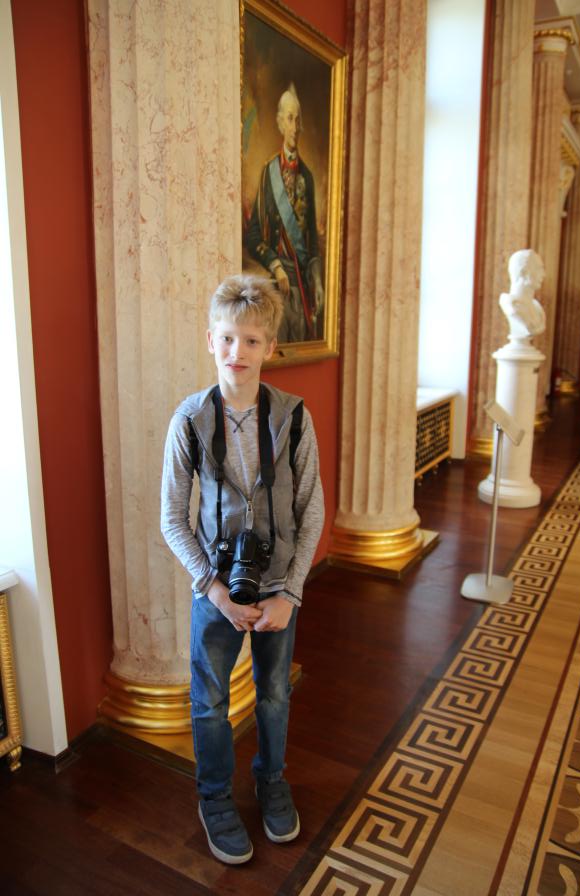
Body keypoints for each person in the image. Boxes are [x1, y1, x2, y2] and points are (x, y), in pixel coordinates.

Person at [160, 274, 324, 865]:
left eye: (252, 341)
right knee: (208, 701)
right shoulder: (189, 419)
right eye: (228, 338)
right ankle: (214, 798)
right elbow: (172, 517)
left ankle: (271, 780)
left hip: (278, 588)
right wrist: (213, 590)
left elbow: (311, 510)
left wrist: (291, 594)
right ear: (211, 339)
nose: (238, 352)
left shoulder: (293, 416)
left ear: (269, 348)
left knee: (274, 695)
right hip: (215, 589)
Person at [246, 84, 324, 343]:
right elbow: (253, 235)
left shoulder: (307, 177)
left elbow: (311, 240)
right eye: (290, 119)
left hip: (301, 286)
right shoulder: (268, 173)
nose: (295, 126)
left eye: (298, 120)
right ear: (280, 123)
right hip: (276, 286)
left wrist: (317, 279)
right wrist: (276, 265)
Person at [499, 249, 546, 346]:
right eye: (539, 269)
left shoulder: (537, 308)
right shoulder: (510, 305)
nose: (543, 275)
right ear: (524, 272)